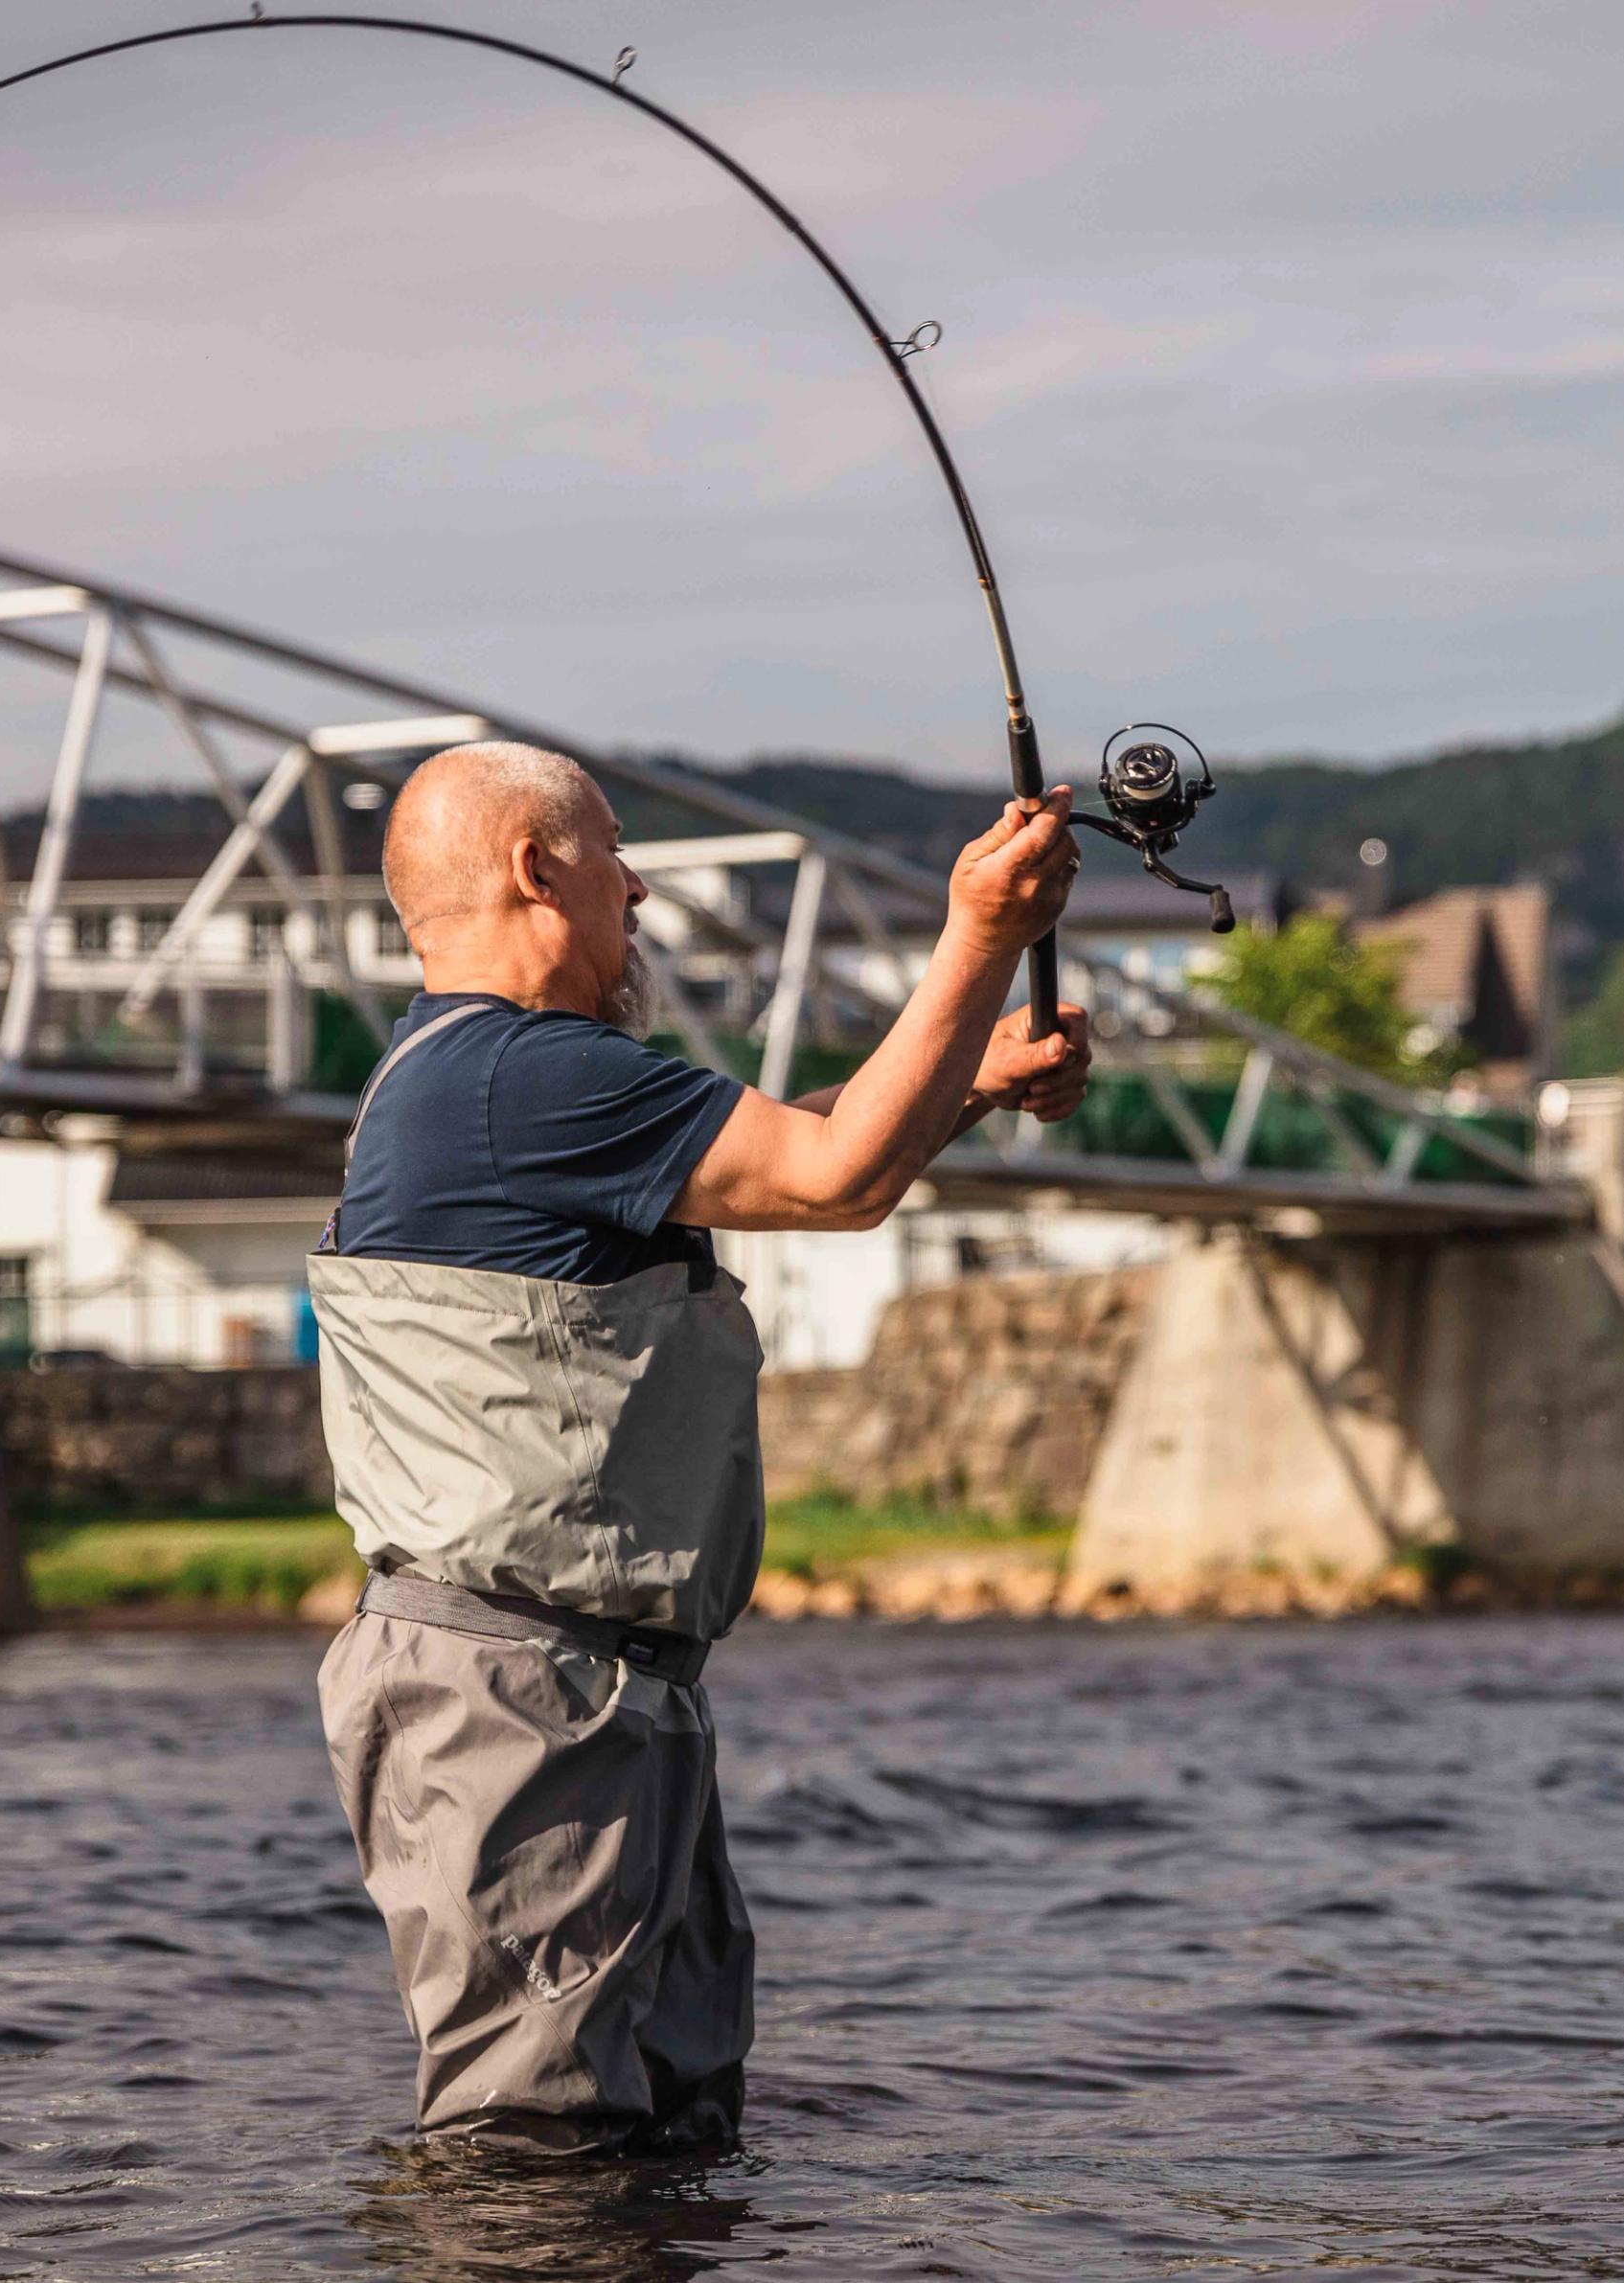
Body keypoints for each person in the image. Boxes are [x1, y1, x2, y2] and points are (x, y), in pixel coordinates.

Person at [310, 740, 1089, 2155]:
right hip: (524, 1699)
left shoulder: (481, 1080)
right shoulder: (525, 1074)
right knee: (534, 2161)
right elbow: (838, 1177)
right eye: (617, 854)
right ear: (536, 868)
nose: (642, 898)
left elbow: (806, 1145)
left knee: (664, 2136)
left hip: (583, 1688)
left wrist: (963, 1082)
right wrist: (983, 932)